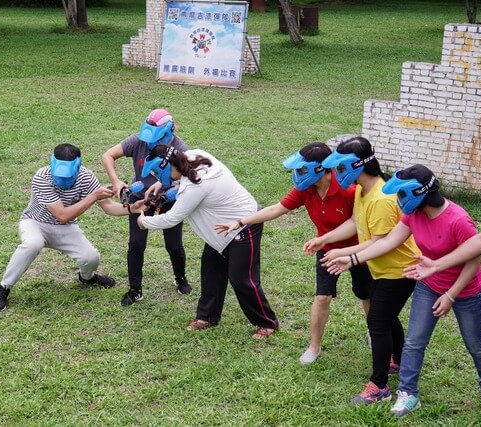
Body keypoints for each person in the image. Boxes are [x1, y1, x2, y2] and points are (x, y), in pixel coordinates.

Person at [326, 164, 481, 414]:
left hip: (467, 291)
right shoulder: (413, 215)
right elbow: (390, 241)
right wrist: (353, 259)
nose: (398, 200)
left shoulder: (458, 220)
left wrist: (451, 295)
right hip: (429, 283)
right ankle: (408, 393)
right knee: (413, 342)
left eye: (402, 195)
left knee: (477, 346)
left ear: (419, 193)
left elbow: (474, 261)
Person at [215, 142, 372, 364]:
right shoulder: (305, 190)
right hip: (326, 251)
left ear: (320, 169)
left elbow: (357, 223)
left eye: (302, 170)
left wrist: (324, 239)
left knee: (366, 295)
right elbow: (277, 209)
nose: (297, 175)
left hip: (358, 250)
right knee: (322, 297)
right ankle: (314, 346)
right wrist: (241, 221)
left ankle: (373, 332)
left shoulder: (349, 189)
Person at [304, 136, 419, 404]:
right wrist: (326, 239)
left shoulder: (381, 198)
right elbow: (356, 223)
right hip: (381, 269)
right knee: (387, 319)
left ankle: (379, 386)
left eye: (341, 169)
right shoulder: (360, 190)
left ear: (357, 167)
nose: (338, 175)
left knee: (377, 323)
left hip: (398, 271)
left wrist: (350, 257)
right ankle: (398, 362)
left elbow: (380, 243)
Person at [138, 144, 279, 339]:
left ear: (166, 167)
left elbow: (172, 218)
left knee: (242, 279)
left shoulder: (195, 187)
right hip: (220, 230)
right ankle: (207, 316)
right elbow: (184, 183)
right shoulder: (194, 155)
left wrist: (143, 221)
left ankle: (267, 322)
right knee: (211, 270)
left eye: (156, 173)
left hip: (244, 224)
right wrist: (165, 187)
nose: (155, 177)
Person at [0, 143, 138, 311]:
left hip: (66, 228)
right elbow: (62, 215)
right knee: (32, 244)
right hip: (35, 223)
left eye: (68, 177)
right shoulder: (42, 177)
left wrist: (134, 208)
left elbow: (108, 207)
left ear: (78, 168)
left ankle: (87, 278)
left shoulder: (87, 177)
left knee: (91, 258)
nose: (62, 181)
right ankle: (4, 287)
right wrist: (93, 196)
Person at [102, 109, 191, 306]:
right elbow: (107, 155)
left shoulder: (181, 149)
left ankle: (181, 279)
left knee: (174, 245)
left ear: (168, 134)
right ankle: (135, 290)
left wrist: (167, 194)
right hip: (138, 201)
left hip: (168, 200)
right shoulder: (138, 141)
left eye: (156, 140)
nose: (150, 145)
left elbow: (186, 182)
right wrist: (116, 182)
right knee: (136, 244)